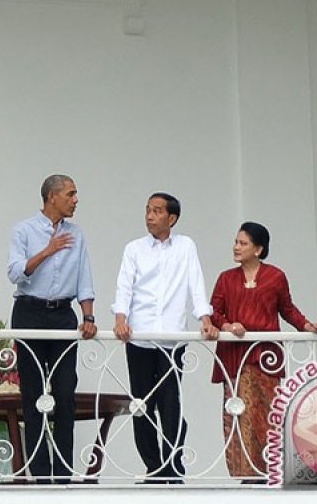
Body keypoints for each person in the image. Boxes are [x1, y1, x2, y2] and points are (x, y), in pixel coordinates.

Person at [112, 192, 218, 483]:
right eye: (147, 209)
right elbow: (125, 286)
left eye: (157, 211)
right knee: (141, 405)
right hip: (139, 337)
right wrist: (120, 318)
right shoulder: (134, 249)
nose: (149, 215)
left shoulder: (185, 246)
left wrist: (205, 318)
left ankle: (173, 466)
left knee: (171, 404)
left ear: (171, 218)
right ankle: (153, 468)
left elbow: (195, 283)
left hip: (172, 339)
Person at [210, 221, 317, 482]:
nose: (236, 247)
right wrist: (229, 325)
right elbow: (214, 312)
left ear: (259, 249)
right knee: (238, 414)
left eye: (243, 243)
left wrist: (307, 325)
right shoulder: (226, 278)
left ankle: (270, 470)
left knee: (268, 413)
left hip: (265, 358)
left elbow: (287, 309)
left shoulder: (275, 276)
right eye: (236, 242)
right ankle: (246, 474)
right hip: (235, 358)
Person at [7, 174, 98, 483]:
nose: (76, 200)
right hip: (29, 311)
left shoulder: (78, 234)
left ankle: (62, 471)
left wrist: (88, 316)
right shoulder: (23, 230)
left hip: (62, 314)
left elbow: (84, 276)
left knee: (64, 393)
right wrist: (48, 250)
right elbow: (15, 273)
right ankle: (40, 472)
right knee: (33, 394)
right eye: (71, 194)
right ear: (52, 197)